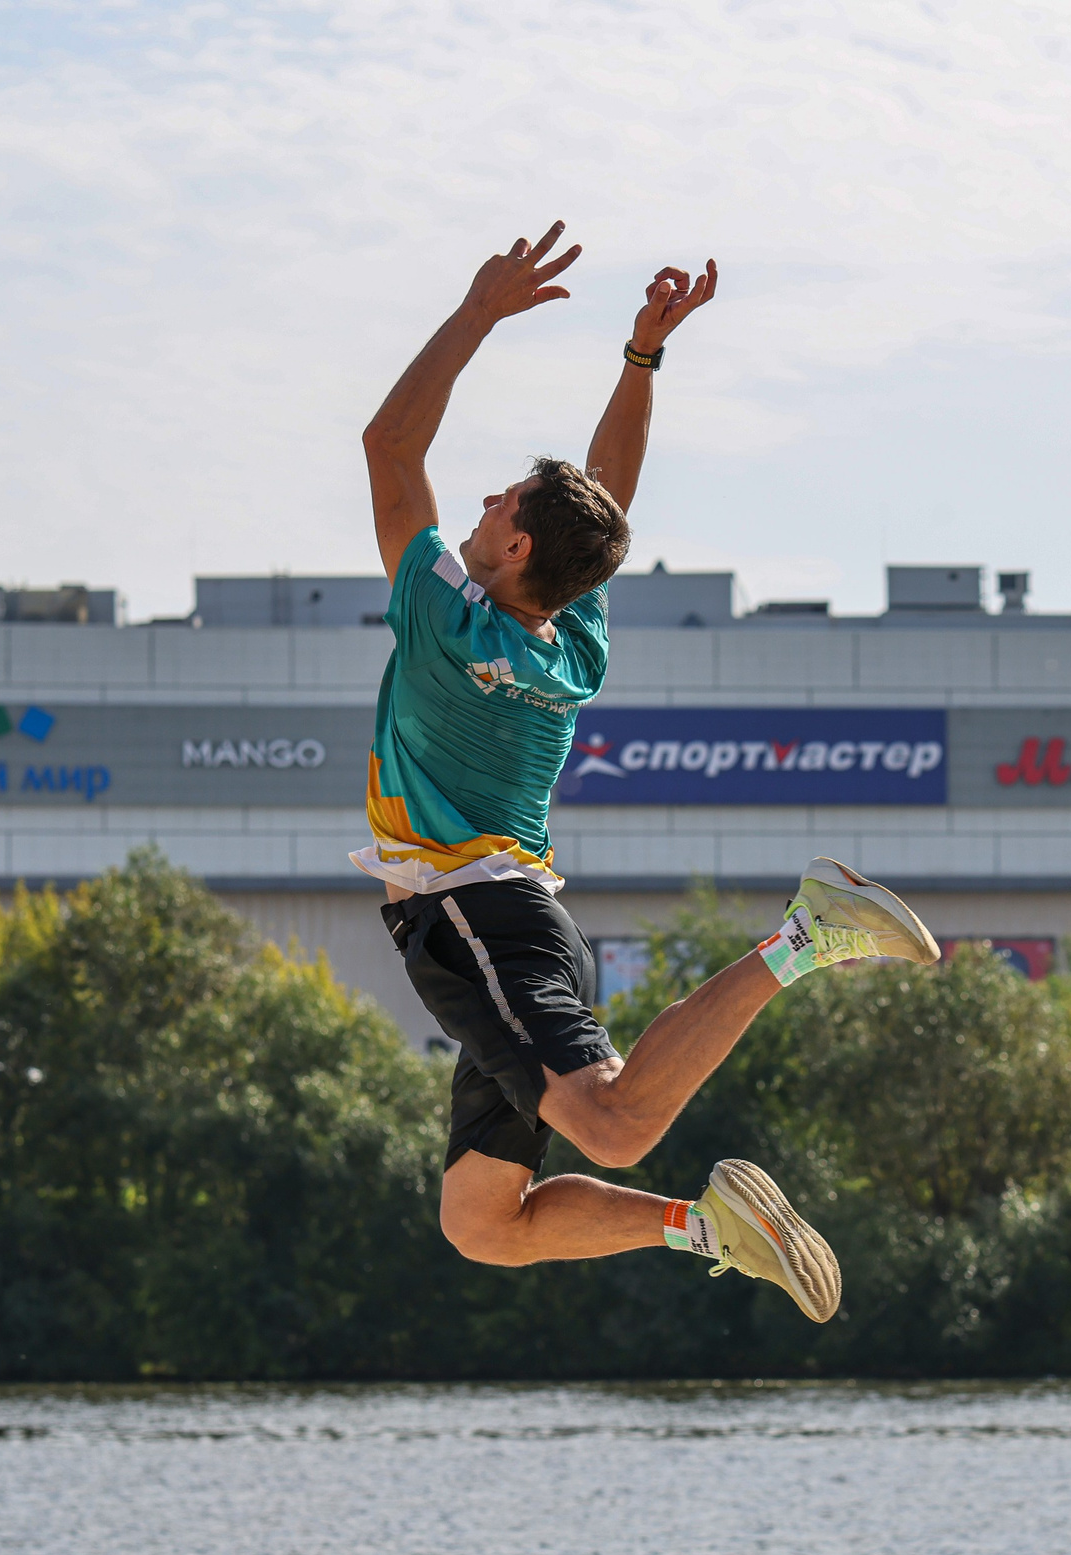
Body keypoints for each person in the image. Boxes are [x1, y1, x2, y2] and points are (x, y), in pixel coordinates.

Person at [356, 222, 939, 1324]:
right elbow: (605, 500)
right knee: (483, 1221)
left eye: (498, 505)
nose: (479, 504)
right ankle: (702, 1225)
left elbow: (392, 445)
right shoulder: (569, 642)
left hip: (472, 917)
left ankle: (807, 936)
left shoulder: (444, 616)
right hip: (519, 922)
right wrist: (639, 362)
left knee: (614, 1124)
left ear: (519, 549)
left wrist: (478, 311)